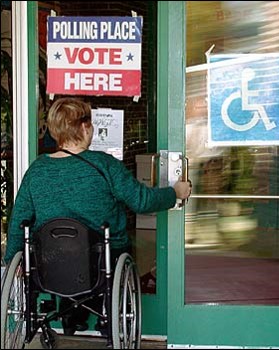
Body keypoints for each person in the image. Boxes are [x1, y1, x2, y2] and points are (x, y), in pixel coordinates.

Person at [4, 97, 192, 335]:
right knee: (107, 245)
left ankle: (73, 314)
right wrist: (174, 192)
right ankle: (105, 316)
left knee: (70, 246)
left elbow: (19, 219)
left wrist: (12, 259)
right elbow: (141, 201)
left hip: (50, 261)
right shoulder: (104, 165)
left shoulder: (37, 169)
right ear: (84, 127)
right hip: (102, 260)